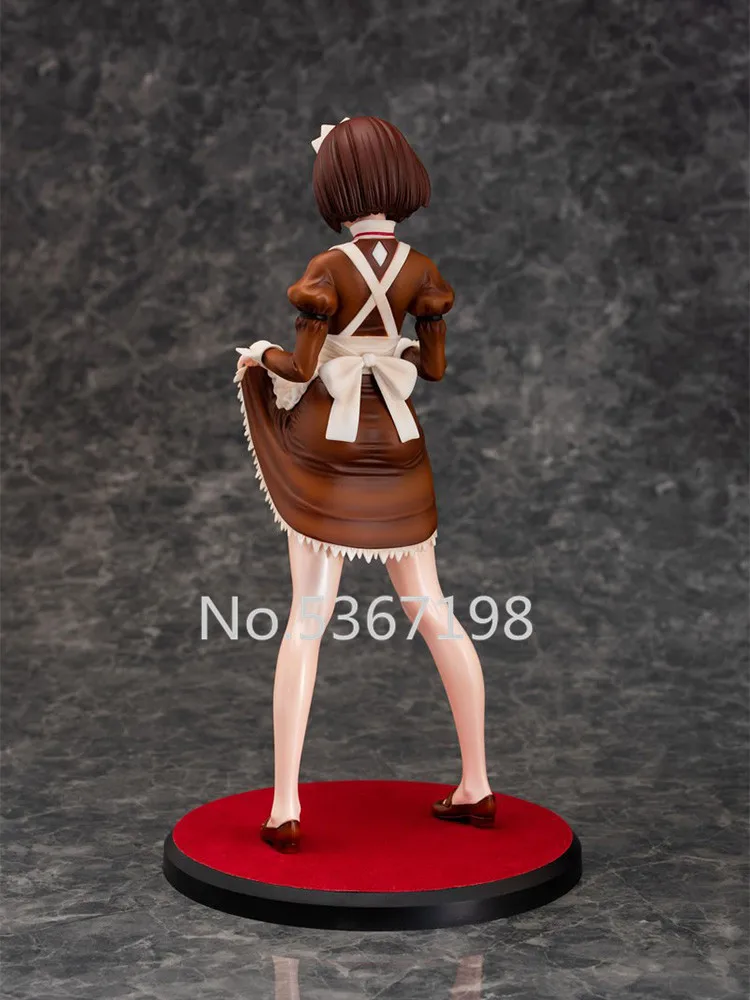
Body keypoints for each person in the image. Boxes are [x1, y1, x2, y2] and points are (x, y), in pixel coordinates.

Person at [235, 116, 495, 853]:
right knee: (432, 608)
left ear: (336, 185)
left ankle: (286, 804)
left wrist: (258, 356)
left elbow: (302, 367)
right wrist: (399, 348)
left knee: (307, 618)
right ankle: (477, 783)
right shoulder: (422, 269)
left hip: (330, 449)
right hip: (399, 445)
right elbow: (433, 371)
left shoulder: (329, 266)